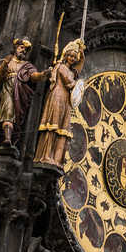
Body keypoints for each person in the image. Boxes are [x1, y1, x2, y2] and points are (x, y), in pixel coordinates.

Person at [33, 39, 85, 169]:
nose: (73, 59)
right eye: (71, 56)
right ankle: (45, 156)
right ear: (66, 55)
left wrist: (82, 58)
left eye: (75, 57)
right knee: (53, 125)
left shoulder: (70, 71)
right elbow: (70, 82)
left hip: (65, 100)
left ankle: (57, 159)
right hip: (57, 97)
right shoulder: (61, 67)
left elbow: (76, 73)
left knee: (63, 128)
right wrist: (79, 87)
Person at [0, 37, 48, 152]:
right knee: (8, 113)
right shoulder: (8, 62)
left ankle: (9, 138)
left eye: (26, 50)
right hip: (7, 90)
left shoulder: (27, 66)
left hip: (20, 94)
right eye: (21, 48)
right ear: (15, 48)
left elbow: (33, 76)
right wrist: (4, 65)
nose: (24, 51)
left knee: (16, 118)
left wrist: (43, 75)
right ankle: (7, 139)